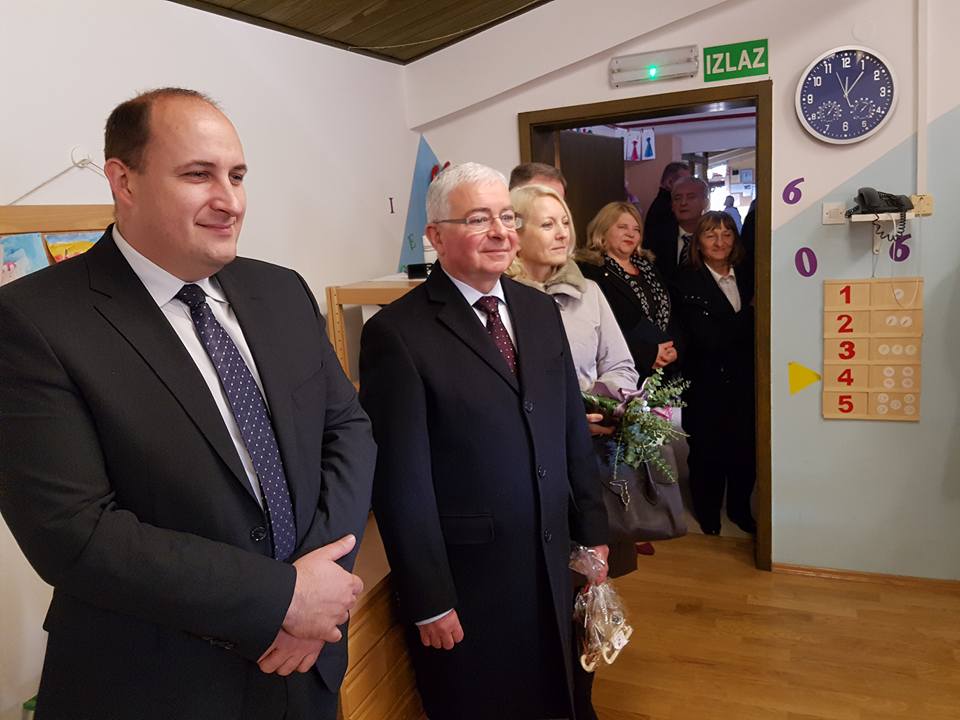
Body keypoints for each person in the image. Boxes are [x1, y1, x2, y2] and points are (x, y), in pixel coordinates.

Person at [0, 88, 376, 719]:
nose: (230, 201)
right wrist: (282, 598)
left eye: (237, 175)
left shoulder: (281, 290)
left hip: (309, 666)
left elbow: (347, 430)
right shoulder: (32, 321)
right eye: (198, 175)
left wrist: (319, 583)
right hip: (160, 684)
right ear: (124, 180)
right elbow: (73, 533)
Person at [359, 163, 609, 720]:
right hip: (473, 578)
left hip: (555, 556)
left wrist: (593, 532)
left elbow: (570, 427)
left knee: (567, 693)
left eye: (506, 217)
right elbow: (401, 481)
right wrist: (428, 598)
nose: (500, 232)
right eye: (478, 219)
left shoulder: (538, 310)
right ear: (436, 235)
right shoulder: (397, 334)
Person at [508, 184, 639, 720]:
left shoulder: (591, 294)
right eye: (548, 223)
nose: (563, 232)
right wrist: (559, 415)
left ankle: (580, 701)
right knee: (535, 603)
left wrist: (597, 404)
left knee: (586, 592)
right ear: (514, 232)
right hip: (525, 474)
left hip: (587, 465)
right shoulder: (499, 302)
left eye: (565, 221)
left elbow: (622, 366)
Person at [670, 211, 756, 536]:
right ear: (698, 242)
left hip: (745, 378)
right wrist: (749, 313)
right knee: (707, 451)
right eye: (710, 235)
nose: (720, 242)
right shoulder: (684, 281)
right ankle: (708, 513)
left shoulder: (749, 274)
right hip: (704, 380)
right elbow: (705, 337)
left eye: (726, 234)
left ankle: (739, 509)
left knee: (744, 449)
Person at [577, 202, 682, 381]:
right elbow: (594, 330)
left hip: (662, 373)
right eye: (622, 227)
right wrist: (647, 353)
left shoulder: (648, 267)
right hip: (621, 371)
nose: (631, 234)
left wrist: (674, 348)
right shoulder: (589, 271)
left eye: (636, 229)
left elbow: (671, 312)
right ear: (602, 230)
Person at [646, 176, 710, 283]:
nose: (683, 203)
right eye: (677, 198)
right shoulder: (656, 238)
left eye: (691, 197)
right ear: (672, 205)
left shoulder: (716, 238)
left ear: (705, 203)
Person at [643, 161, 691, 237]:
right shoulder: (667, 206)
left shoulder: (666, 203)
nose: (688, 186)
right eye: (684, 182)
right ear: (669, 182)